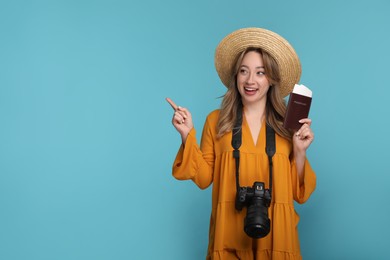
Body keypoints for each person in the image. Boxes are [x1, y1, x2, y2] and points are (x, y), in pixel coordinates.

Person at [167, 27, 316, 260]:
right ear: (235, 76)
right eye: (243, 71)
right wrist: (187, 136)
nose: (250, 80)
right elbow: (204, 177)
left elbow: (300, 193)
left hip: (277, 237)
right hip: (229, 237)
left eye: (260, 72)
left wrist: (299, 151)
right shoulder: (216, 121)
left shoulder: (288, 127)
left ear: (272, 79)